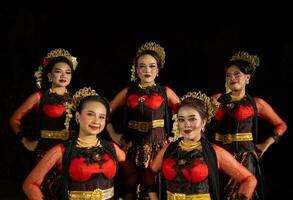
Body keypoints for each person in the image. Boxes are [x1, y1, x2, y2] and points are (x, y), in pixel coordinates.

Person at [23, 87, 137, 200]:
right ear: (78, 116)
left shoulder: (113, 148)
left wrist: (128, 195)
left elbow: (131, 174)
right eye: (90, 114)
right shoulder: (62, 151)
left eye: (101, 117)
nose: (96, 121)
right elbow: (30, 185)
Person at [145, 91, 257, 200]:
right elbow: (149, 173)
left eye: (192, 119)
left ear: (203, 121)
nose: (186, 125)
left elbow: (249, 180)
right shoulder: (168, 149)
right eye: (181, 120)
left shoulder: (215, 152)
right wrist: (153, 196)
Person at [107, 41, 180, 199]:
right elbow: (104, 112)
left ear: (158, 69)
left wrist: (176, 134)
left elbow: (184, 112)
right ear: (136, 69)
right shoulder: (128, 92)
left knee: (155, 186)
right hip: (133, 147)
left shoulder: (165, 91)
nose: (147, 70)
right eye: (142, 66)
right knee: (131, 186)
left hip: (158, 147)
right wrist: (112, 134)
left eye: (152, 66)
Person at [210, 51, 287, 199]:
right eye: (228, 75)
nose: (232, 78)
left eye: (236, 74)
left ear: (247, 78)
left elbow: (281, 125)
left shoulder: (256, 103)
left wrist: (266, 143)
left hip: (245, 159)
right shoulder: (217, 99)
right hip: (220, 156)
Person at [9, 48, 78, 198]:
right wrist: (25, 140)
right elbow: (14, 119)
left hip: (70, 152)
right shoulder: (40, 97)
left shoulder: (77, 99)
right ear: (49, 75)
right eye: (58, 71)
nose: (63, 75)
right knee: (46, 191)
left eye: (68, 72)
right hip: (46, 151)